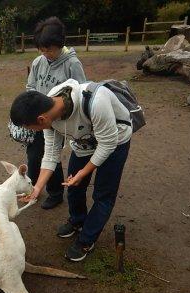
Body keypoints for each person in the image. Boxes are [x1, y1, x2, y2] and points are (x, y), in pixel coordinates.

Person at [10, 78, 132, 262]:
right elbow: (51, 155)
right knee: (73, 186)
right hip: (85, 141)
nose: (32, 132)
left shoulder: (95, 101)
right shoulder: (49, 115)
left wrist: (83, 173)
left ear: (40, 119)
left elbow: (107, 144)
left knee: (103, 194)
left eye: (30, 128)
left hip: (115, 140)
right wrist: (37, 189)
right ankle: (77, 221)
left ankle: (86, 239)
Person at [13, 16, 86, 210]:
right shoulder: (38, 62)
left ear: (59, 44)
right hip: (38, 119)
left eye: (49, 49)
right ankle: (36, 187)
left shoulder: (72, 64)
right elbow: (31, 86)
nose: (46, 54)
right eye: (42, 50)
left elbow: (81, 90)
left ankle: (55, 193)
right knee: (34, 155)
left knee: (49, 153)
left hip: (59, 119)